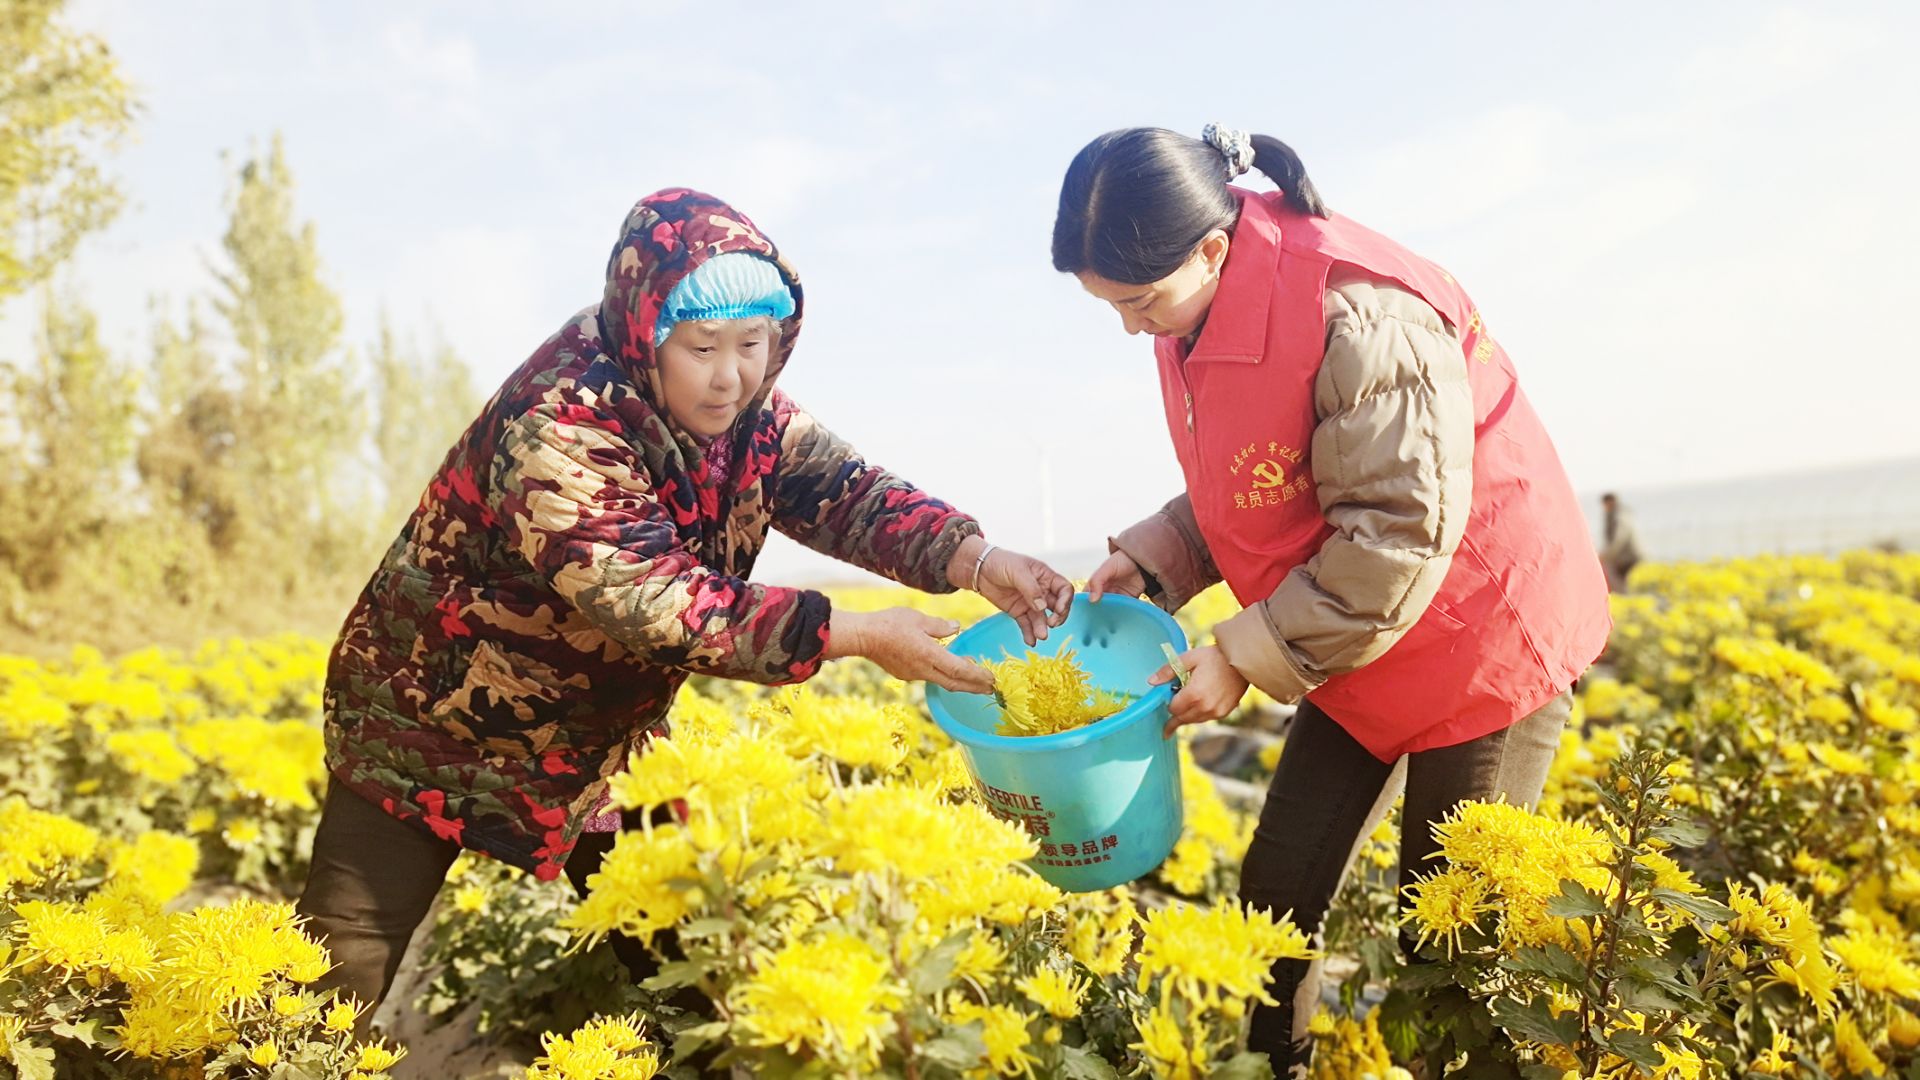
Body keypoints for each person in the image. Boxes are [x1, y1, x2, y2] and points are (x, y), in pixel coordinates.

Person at [297, 188, 1073, 1034]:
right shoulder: (559, 422)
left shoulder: (749, 414)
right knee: (337, 964)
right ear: (646, 331)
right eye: (703, 347)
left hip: (604, 735)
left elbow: (848, 494)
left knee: (680, 948)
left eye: (753, 344)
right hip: (429, 715)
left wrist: (978, 559)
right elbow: (657, 601)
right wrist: (855, 635)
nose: (731, 373)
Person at [1055, 125, 1611, 1071]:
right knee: (1276, 892)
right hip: (1349, 630)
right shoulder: (1188, 303)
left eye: (1137, 302)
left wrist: (1238, 653)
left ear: (1212, 249)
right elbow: (1265, 470)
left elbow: (1396, 534)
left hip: (1479, 632)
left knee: (1452, 941)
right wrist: (1160, 558)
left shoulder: (1360, 314)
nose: (1129, 328)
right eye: (1107, 306)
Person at [1599, 492, 1644, 591]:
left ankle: (1625, 600)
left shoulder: (1619, 516)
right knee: (1622, 582)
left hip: (1628, 556)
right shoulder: (1617, 514)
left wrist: (1605, 555)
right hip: (1626, 556)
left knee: (1617, 581)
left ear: (1610, 502)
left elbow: (1619, 538)